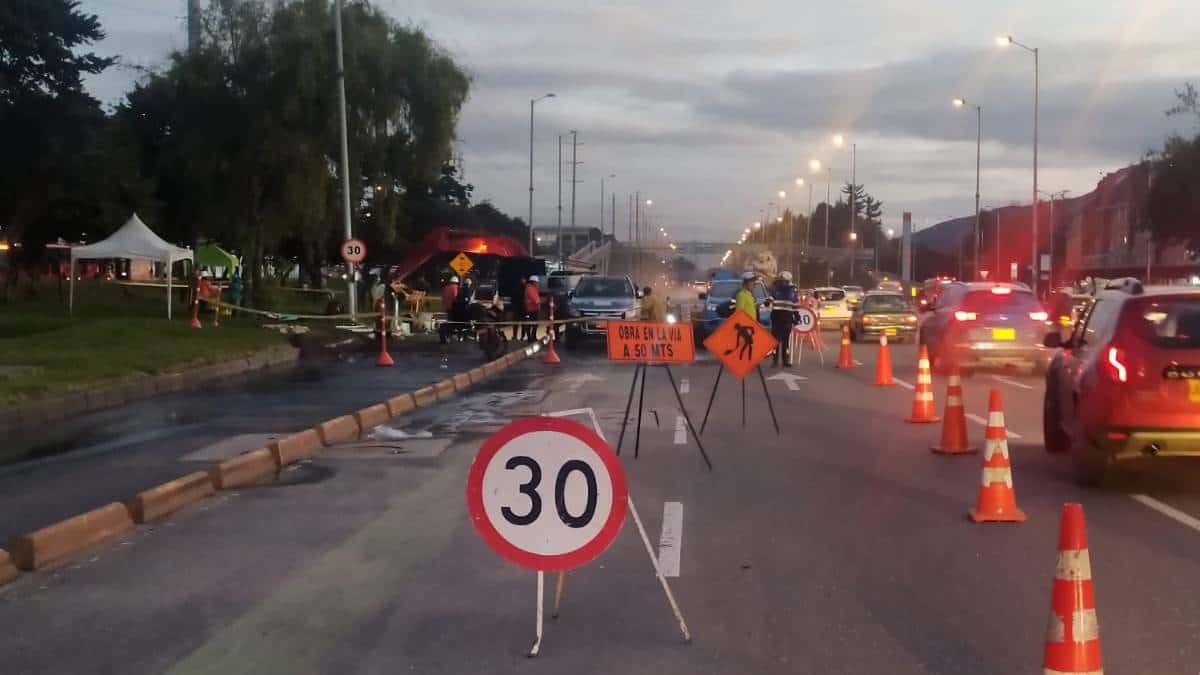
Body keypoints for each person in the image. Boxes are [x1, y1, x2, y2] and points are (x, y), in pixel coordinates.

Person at [769, 271, 800, 367]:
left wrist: (797, 316)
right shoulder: (775, 290)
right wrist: (767, 302)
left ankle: (785, 360)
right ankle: (775, 360)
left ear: (788, 281)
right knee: (775, 341)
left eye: (784, 281)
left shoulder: (793, 292)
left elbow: (795, 305)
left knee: (786, 341)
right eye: (781, 281)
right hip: (776, 318)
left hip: (787, 319)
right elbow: (770, 299)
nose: (782, 283)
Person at [439, 275, 460, 344]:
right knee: (453, 322)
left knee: (447, 321)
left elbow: (443, 297)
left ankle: (446, 335)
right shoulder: (456, 288)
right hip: (453, 308)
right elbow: (455, 298)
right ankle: (452, 334)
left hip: (446, 308)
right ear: (457, 282)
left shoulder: (445, 288)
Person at [523, 276, 541, 342]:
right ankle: (532, 337)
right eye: (536, 282)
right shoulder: (531, 289)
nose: (537, 283)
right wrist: (539, 301)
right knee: (533, 324)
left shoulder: (531, 288)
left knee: (531, 324)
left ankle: (531, 337)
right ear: (533, 282)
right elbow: (535, 299)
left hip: (530, 309)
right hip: (532, 309)